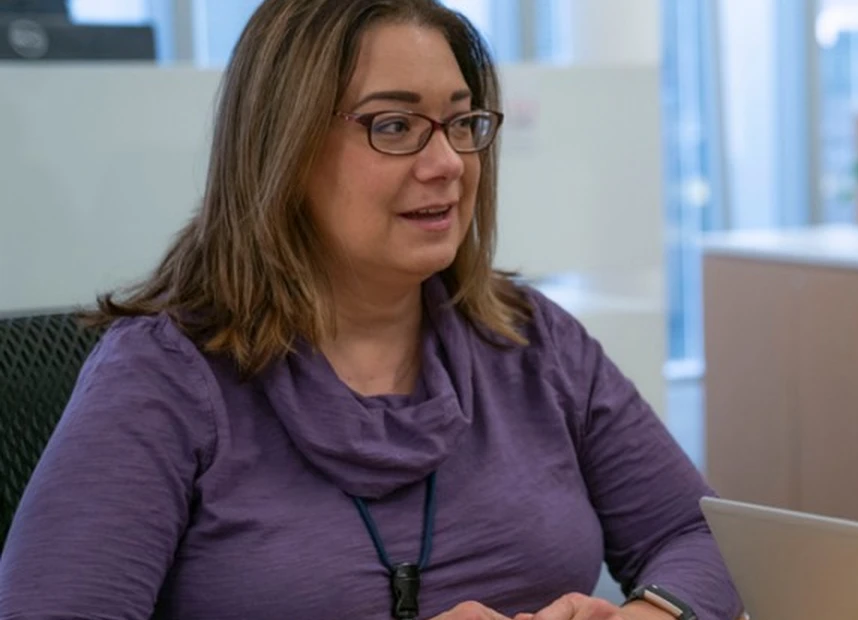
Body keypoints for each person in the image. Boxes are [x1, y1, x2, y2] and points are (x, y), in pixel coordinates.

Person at [0, 1, 741, 619]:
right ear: (282, 151)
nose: (449, 162)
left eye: (461, 122)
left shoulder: (531, 341)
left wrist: (650, 615)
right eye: (395, 126)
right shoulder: (162, 378)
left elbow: (701, 535)